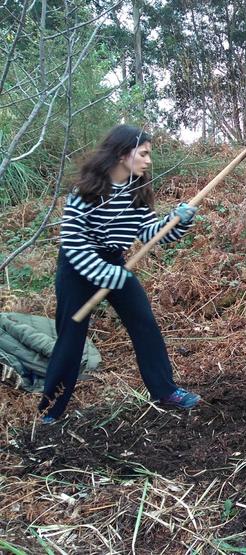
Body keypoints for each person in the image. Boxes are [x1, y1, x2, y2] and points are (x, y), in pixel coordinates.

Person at [38, 125, 201, 423]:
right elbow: (74, 244)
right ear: (123, 154)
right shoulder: (85, 193)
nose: (148, 160)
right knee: (70, 337)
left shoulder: (136, 191)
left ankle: (165, 391)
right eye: (144, 153)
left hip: (116, 263)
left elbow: (152, 235)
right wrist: (103, 274)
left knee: (145, 324)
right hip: (78, 267)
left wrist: (177, 220)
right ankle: (52, 408)